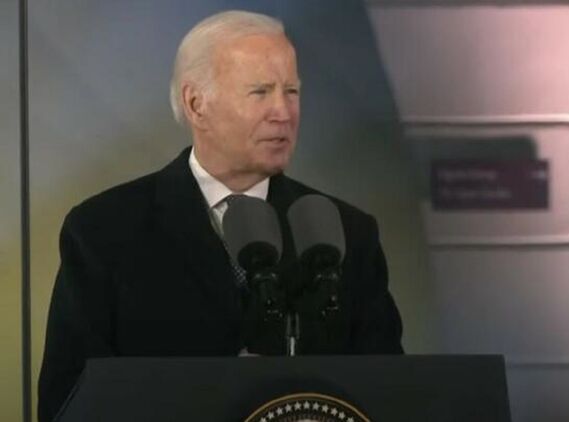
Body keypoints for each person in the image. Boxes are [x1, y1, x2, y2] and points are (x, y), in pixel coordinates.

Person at [38, 10, 403, 422]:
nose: (283, 112)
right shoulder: (103, 232)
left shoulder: (345, 233)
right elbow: (65, 403)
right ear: (196, 104)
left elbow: (390, 394)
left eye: (292, 91)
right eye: (260, 92)